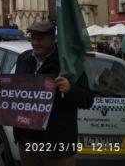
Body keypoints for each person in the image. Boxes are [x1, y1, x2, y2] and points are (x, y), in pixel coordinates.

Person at [14, 20, 94, 166]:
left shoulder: (68, 63)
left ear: (53, 38)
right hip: (28, 139)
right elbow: (15, 90)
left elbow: (88, 100)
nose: (35, 43)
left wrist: (71, 89)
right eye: (33, 39)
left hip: (56, 141)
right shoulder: (23, 59)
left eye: (40, 39)